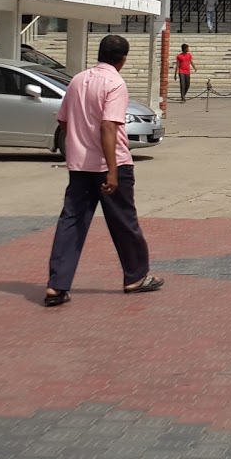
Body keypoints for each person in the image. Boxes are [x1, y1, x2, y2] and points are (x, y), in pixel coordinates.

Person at [43, 34, 163, 307]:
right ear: (123, 59)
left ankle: (56, 284)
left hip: (80, 165)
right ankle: (136, 276)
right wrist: (111, 170)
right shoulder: (115, 83)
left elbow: (63, 120)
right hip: (111, 164)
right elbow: (109, 126)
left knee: (71, 222)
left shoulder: (77, 80)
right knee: (124, 222)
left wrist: (79, 142)